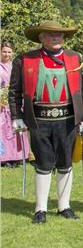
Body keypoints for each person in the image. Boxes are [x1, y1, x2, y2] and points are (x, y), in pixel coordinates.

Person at [9, 21, 83, 223]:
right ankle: (41, 209)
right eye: (51, 34)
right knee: (43, 164)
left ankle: (64, 206)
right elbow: (14, 91)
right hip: (39, 120)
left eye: (59, 35)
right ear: (41, 37)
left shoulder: (76, 58)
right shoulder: (24, 59)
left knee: (65, 163)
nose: (56, 38)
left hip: (68, 120)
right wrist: (16, 117)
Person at [1, 40, 30, 168]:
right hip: (2, 104)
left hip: (15, 103)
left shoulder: (16, 66)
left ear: (12, 52)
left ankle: (18, 156)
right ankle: (5, 157)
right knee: (4, 130)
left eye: (9, 52)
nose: (6, 54)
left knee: (17, 128)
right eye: (4, 52)